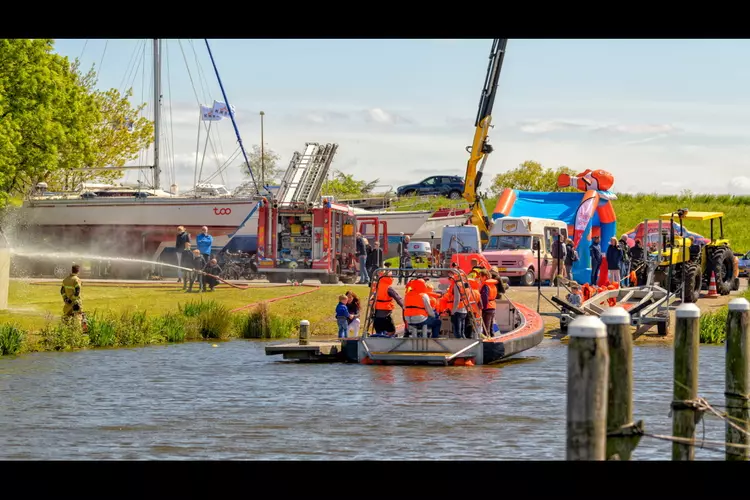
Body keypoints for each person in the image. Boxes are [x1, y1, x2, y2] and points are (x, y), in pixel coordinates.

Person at [373, 271, 404, 336]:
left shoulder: (377, 285)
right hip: (385, 313)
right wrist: (404, 307)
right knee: (392, 331)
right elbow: (397, 298)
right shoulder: (388, 288)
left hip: (376, 313)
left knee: (379, 332)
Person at [479, 269, 498, 336]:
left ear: (484, 277)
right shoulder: (493, 285)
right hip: (492, 306)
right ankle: (493, 339)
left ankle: (487, 342)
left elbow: (485, 298)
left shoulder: (486, 286)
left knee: (486, 328)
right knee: (491, 327)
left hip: (487, 308)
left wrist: (483, 308)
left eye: (480, 276)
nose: (480, 278)